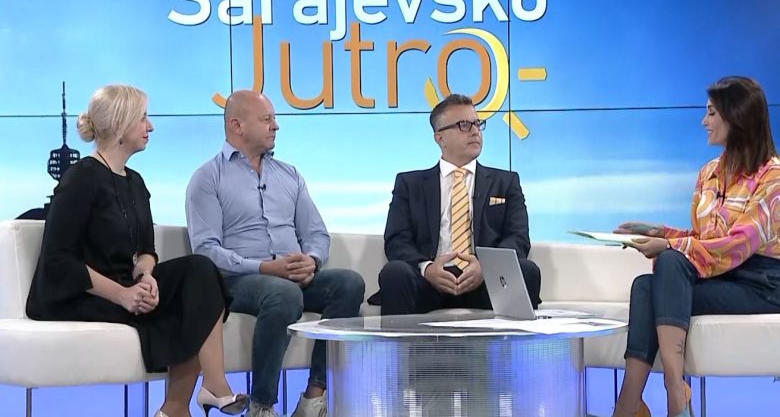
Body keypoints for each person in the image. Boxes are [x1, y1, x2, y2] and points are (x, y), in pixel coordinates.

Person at [25, 85, 247, 417]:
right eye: (143, 118)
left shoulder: (135, 181)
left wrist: (146, 278)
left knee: (199, 270)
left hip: (126, 287)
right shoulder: (81, 177)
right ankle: (177, 408)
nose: (150, 126)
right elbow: (59, 261)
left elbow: (146, 250)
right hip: (79, 294)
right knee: (184, 300)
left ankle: (206, 389)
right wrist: (123, 295)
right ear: (120, 123)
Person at [185, 90, 365, 417]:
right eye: (266, 119)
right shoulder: (208, 178)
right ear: (237, 126)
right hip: (238, 280)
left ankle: (314, 397)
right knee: (283, 293)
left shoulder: (289, 174)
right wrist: (265, 268)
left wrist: (311, 261)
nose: (276, 126)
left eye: (274, 119)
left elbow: (317, 233)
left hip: (291, 276)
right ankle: (262, 405)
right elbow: (206, 251)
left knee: (349, 283)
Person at [612, 76, 780, 417]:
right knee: (645, 285)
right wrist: (656, 231)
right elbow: (705, 237)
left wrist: (668, 244)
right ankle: (642, 400)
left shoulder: (772, 177)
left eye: (712, 113)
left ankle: (669, 394)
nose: (704, 121)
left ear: (737, 116)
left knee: (669, 262)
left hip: (762, 285)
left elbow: (737, 244)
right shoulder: (708, 173)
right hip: (721, 277)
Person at [374, 93, 541, 315]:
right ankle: (401, 341)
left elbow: (518, 237)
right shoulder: (410, 184)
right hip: (429, 282)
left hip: (486, 281)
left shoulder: (506, 182)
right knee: (394, 273)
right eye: (464, 125)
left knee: (527, 270)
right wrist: (428, 269)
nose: (475, 131)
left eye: (477, 124)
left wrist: (485, 267)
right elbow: (397, 240)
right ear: (440, 138)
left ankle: (511, 340)